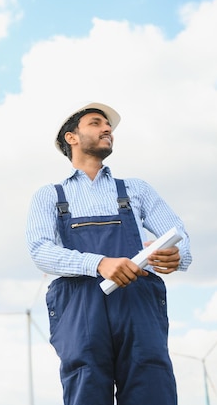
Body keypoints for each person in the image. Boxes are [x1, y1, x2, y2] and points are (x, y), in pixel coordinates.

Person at [26, 102, 192, 405]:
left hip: (136, 302)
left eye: (109, 126)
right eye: (96, 123)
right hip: (80, 306)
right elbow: (41, 252)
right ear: (71, 137)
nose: (107, 130)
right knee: (86, 387)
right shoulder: (50, 195)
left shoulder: (136, 190)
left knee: (151, 385)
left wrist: (177, 255)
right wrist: (99, 263)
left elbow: (180, 240)